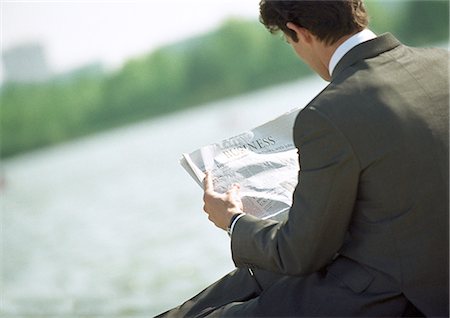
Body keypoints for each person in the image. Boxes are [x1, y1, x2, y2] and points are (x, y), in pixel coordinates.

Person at [157, 0, 449, 316]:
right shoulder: (441, 63)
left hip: (393, 292)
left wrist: (233, 220)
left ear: (299, 32)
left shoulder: (327, 113)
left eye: (288, 40)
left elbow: (300, 253)